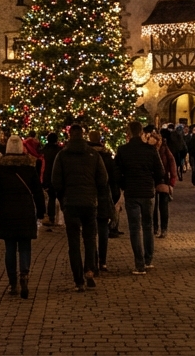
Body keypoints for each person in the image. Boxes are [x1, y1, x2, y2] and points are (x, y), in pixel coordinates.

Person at [51, 125, 108, 292]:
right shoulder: (93, 154)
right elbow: (103, 179)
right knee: (90, 239)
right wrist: (94, 193)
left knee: (73, 242)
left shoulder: (62, 155)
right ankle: (89, 270)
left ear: (69, 135)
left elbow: (56, 181)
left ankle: (78, 280)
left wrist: (63, 197)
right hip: (89, 203)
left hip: (71, 203)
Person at [0, 135, 44, 299]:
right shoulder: (29, 168)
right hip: (26, 211)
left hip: (6, 212)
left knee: (10, 248)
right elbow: (38, 192)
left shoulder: (1, 169)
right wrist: (41, 211)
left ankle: (13, 282)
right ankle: (24, 274)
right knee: (25, 245)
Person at [115, 120, 165, 274]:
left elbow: (117, 173)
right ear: (141, 132)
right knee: (148, 226)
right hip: (147, 192)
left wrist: (124, 184)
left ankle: (139, 264)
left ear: (129, 133)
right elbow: (160, 172)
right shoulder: (150, 150)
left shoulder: (123, 150)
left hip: (132, 192)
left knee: (135, 228)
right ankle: (148, 259)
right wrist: (152, 180)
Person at [88, 130, 119, 273]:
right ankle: (103, 261)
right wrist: (115, 196)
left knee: (90, 230)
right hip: (104, 195)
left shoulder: (86, 156)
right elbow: (113, 179)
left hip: (89, 196)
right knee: (103, 228)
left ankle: (93, 260)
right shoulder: (107, 156)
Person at [151, 131, 177, 239]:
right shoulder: (149, 151)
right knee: (153, 206)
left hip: (163, 180)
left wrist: (172, 182)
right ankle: (155, 227)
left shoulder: (165, 151)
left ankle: (164, 228)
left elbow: (172, 165)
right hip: (152, 181)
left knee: (163, 205)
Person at [42, 131, 64, 228]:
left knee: (51, 197)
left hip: (47, 176)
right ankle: (65, 218)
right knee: (61, 197)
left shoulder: (44, 151)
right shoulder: (60, 151)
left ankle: (51, 217)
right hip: (58, 176)